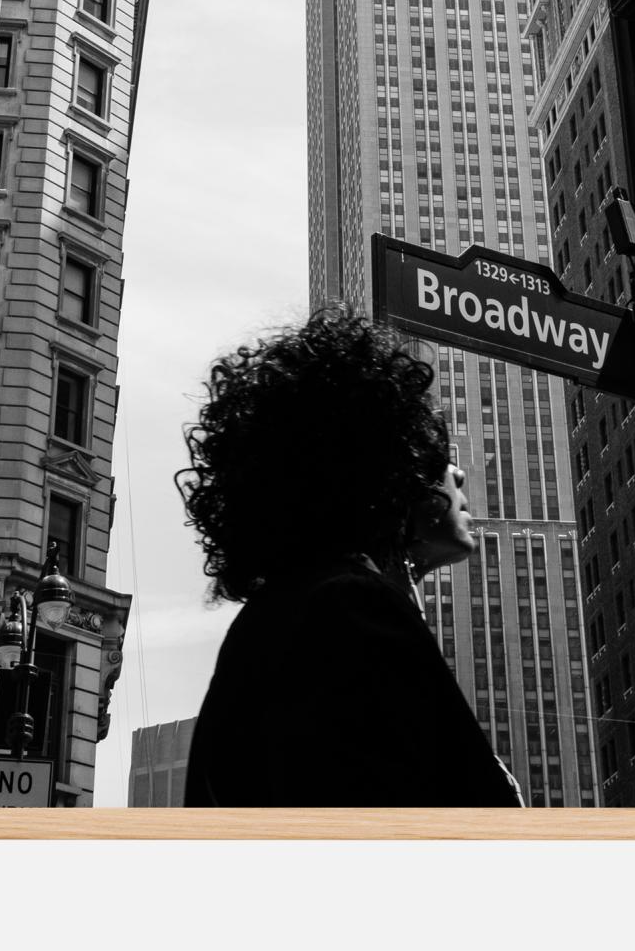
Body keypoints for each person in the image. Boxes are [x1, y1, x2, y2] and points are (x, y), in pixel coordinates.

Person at [177, 305, 522, 807]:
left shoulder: (281, 616)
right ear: (386, 470)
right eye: (433, 452)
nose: (457, 474)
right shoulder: (351, 608)